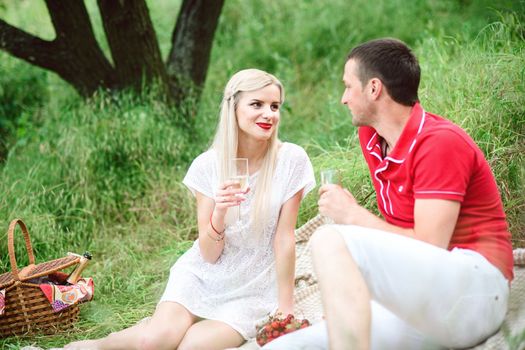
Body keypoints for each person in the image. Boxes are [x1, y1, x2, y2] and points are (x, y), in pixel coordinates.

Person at [264, 38, 513, 350]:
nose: (343, 99)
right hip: (425, 303)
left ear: (373, 89)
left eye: (348, 86)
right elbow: (398, 246)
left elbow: (429, 246)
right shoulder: (372, 138)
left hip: (475, 291)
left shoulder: (439, 143)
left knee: (329, 238)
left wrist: (353, 216)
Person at [65, 69, 315, 350]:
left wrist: (285, 306)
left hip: (255, 285)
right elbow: (208, 253)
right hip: (204, 275)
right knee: (154, 342)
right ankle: (96, 345)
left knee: (192, 347)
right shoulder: (208, 166)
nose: (268, 114)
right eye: (256, 104)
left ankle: (162, 326)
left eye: (274, 106)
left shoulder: (291, 160)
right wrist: (219, 212)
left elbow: (284, 237)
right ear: (233, 108)